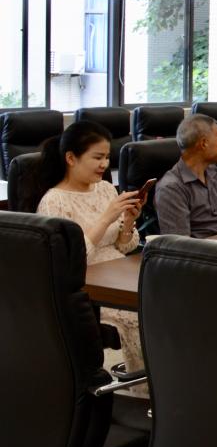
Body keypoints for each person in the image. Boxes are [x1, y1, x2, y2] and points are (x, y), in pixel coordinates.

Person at [30, 120, 145, 375]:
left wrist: (127, 222)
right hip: (86, 286)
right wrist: (106, 218)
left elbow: (124, 247)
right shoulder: (53, 202)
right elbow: (67, 262)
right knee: (142, 316)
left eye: (107, 157)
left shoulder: (105, 189)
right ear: (71, 158)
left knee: (164, 303)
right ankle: (142, 388)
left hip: (118, 271)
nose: (105, 164)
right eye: (97, 157)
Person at [155, 113, 217, 237]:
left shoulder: (216, 174)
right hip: (202, 248)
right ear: (204, 143)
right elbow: (179, 244)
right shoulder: (171, 188)